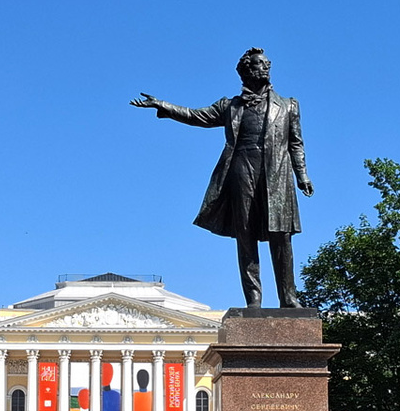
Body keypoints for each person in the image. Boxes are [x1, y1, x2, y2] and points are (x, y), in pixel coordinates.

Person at [131, 48, 314, 309]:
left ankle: (289, 299)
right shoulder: (230, 106)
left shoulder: (289, 106)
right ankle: (253, 300)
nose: (265, 68)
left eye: (266, 64)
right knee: (246, 235)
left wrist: (302, 175)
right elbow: (196, 116)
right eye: (259, 64)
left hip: (278, 175)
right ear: (246, 71)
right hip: (242, 170)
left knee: (281, 237)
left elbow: (296, 143)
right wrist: (163, 105)